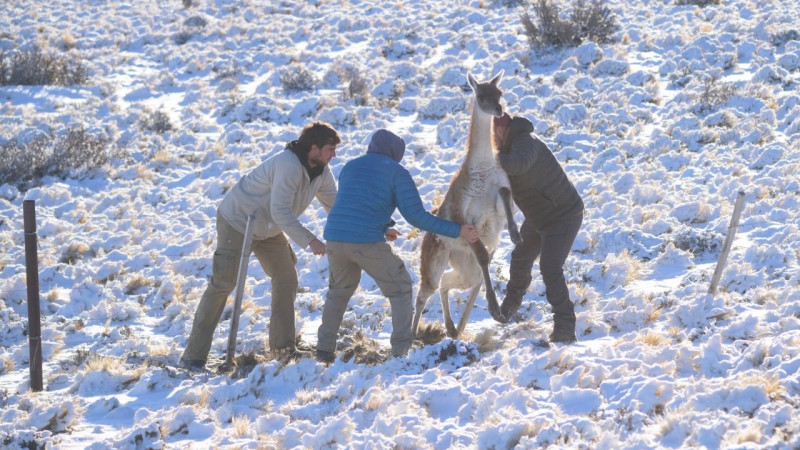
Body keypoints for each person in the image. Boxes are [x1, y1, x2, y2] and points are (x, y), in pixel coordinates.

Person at [181, 122, 341, 371]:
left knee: (286, 278)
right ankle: (194, 355)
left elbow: (337, 206)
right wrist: (310, 240)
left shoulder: (322, 171)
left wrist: (373, 228)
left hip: (268, 228)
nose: (334, 155)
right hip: (237, 221)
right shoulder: (288, 165)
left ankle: (283, 349)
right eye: (330, 149)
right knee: (224, 283)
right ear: (314, 148)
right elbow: (280, 211)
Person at [316, 129, 479, 363]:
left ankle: (323, 350)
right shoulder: (396, 172)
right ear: (395, 154)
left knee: (338, 292)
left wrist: (383, 227)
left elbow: (357, 204)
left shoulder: (351, 166)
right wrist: (457, 230)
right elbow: (417, 217)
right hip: (365, 242)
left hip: (335, 237)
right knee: (401, 287)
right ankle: (400, 353)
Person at [493, 112, 584, 343]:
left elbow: (518, 165)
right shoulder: (504, 151)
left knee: (550, 268)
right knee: (521, 257)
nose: (494, 135)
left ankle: (565, 328)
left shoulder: (527, 142)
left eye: (497, 130)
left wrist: (492, 160)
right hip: (538, 216)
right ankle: (510, 306)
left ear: (506, 129)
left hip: (563, 215)